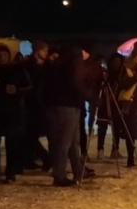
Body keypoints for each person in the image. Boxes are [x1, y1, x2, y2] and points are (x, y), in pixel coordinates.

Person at [42, 44, 90, 187]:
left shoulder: (56, 65)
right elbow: (76, 83)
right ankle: (59, 175)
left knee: (71, 141)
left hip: (59, 105)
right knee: (65, 142)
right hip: (69, 105)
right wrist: (88, 95)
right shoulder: (73, 64)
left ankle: (78, 171)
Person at [0, 45, 30, 183]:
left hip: (12, 112)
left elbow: (29, 87)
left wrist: (17, 90)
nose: (2, 57)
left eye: (4, 55)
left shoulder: (17, 70)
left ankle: (10, 172)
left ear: (9, 56)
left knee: (11, 144)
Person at [22, 41, 51, 170]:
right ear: (37, 51)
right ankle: (44, 158)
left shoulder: (44, 66)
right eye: (44, 50)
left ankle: (33, 158)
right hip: (32, 102)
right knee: (30, 134)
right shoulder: (30, 65)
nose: (46, 53)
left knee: (31, 134)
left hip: (40, 102)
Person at [101, 53, 125, 158]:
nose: (117, 64)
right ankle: (101, 149)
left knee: (116, 127)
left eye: (118, 62)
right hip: (106, 102)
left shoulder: (120, 74)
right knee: (103, 126)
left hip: (116, 103)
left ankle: (114, 150)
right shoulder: (107, 74)